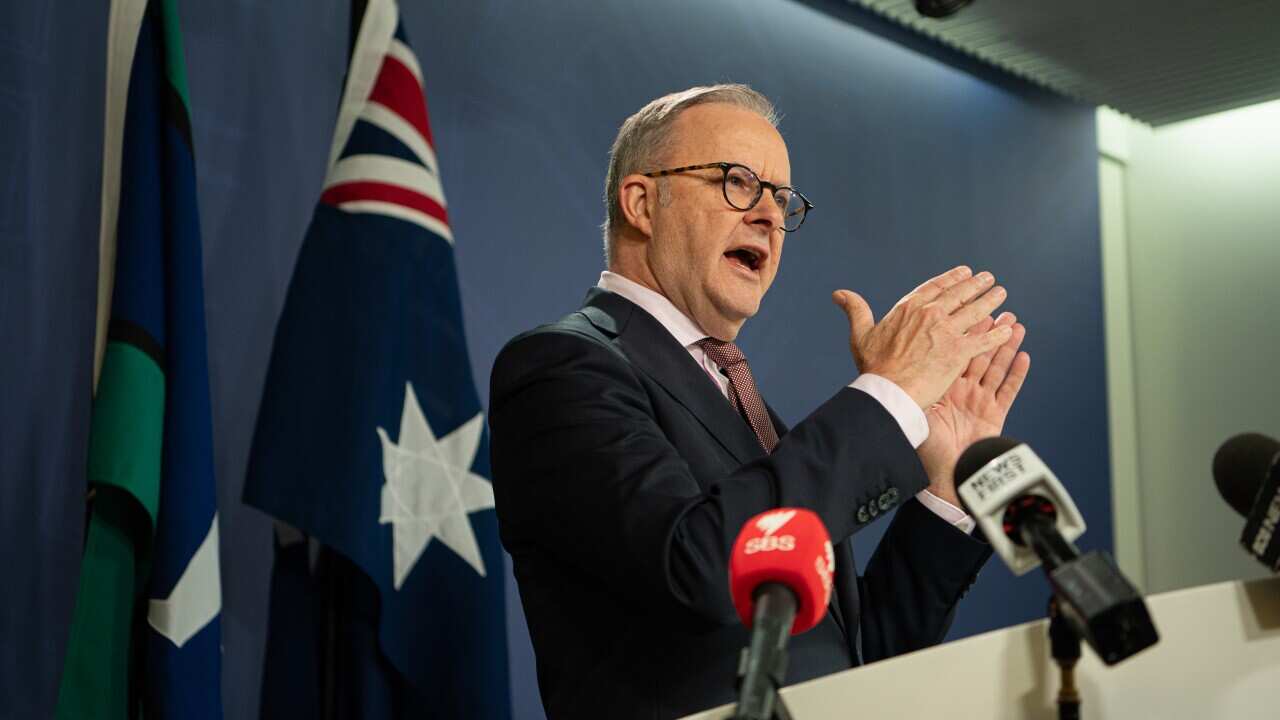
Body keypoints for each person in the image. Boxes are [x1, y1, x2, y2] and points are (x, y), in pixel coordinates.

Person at [488, 84, 1031, 719]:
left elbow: (847, 661)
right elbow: (695, 567)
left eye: (781, 198)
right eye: (738, 183)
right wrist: (889, 397)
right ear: (642, 203)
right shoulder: (562, 367)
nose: (770, 216)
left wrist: (942, 490)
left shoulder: (746, 408)